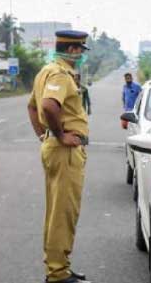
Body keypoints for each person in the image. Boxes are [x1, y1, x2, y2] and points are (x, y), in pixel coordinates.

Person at [27, 30, 91, 283]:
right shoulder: (60, 74)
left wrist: (44, 136)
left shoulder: (45, 71)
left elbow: (32, 106)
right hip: (64, 151)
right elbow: (47, 106)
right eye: (81, 50)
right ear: (74, 50)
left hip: (55, 146)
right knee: (63, 212)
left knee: (57, 211)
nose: (81, 55)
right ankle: (57, 273)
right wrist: (60, 136)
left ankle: (58, 267)